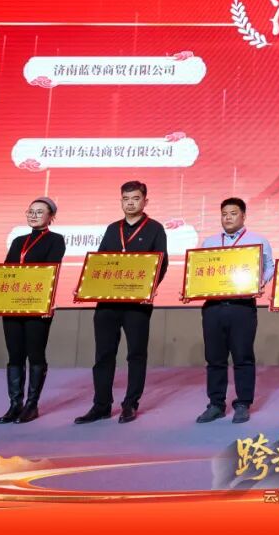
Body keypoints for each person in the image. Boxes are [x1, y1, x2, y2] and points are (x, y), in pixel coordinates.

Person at [75, 181, 168, 425]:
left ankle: (130, 404)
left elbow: (162, 263)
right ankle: (101, 405)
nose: (130, 203)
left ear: (145, 201)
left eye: (135, 198)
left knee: (136, 354)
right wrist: (87, 286)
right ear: (121, 201)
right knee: (103, 354)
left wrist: (147, 288)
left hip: (137, 304)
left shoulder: (155, 229)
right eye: (126, 199)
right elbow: (99, 263)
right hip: (107, 303)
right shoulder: (112, 228)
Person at [194, 197, 275, 425]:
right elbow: (199, 271)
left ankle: (243, 404)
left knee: (243, 356)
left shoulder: (257, 240)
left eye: (233, 213)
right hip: (213, 307)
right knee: (214, 358)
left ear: (243, 216)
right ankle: (216, 404)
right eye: (224, 214)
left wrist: (261, 282)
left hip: (242, 307)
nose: (228, 218)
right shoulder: (209, 242)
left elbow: (270, 266)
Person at [0, 197, 66, 424]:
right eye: (31, 211)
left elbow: (50, 273)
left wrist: (47, 302)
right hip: (13, 306)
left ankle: (31, 405)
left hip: (37, 306)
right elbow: (5, 273)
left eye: (40, 212)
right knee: (15, 356)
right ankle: (14, 405)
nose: (34, 215)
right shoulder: (18, 241)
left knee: (35, 355)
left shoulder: (56, 240)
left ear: (51, 217)